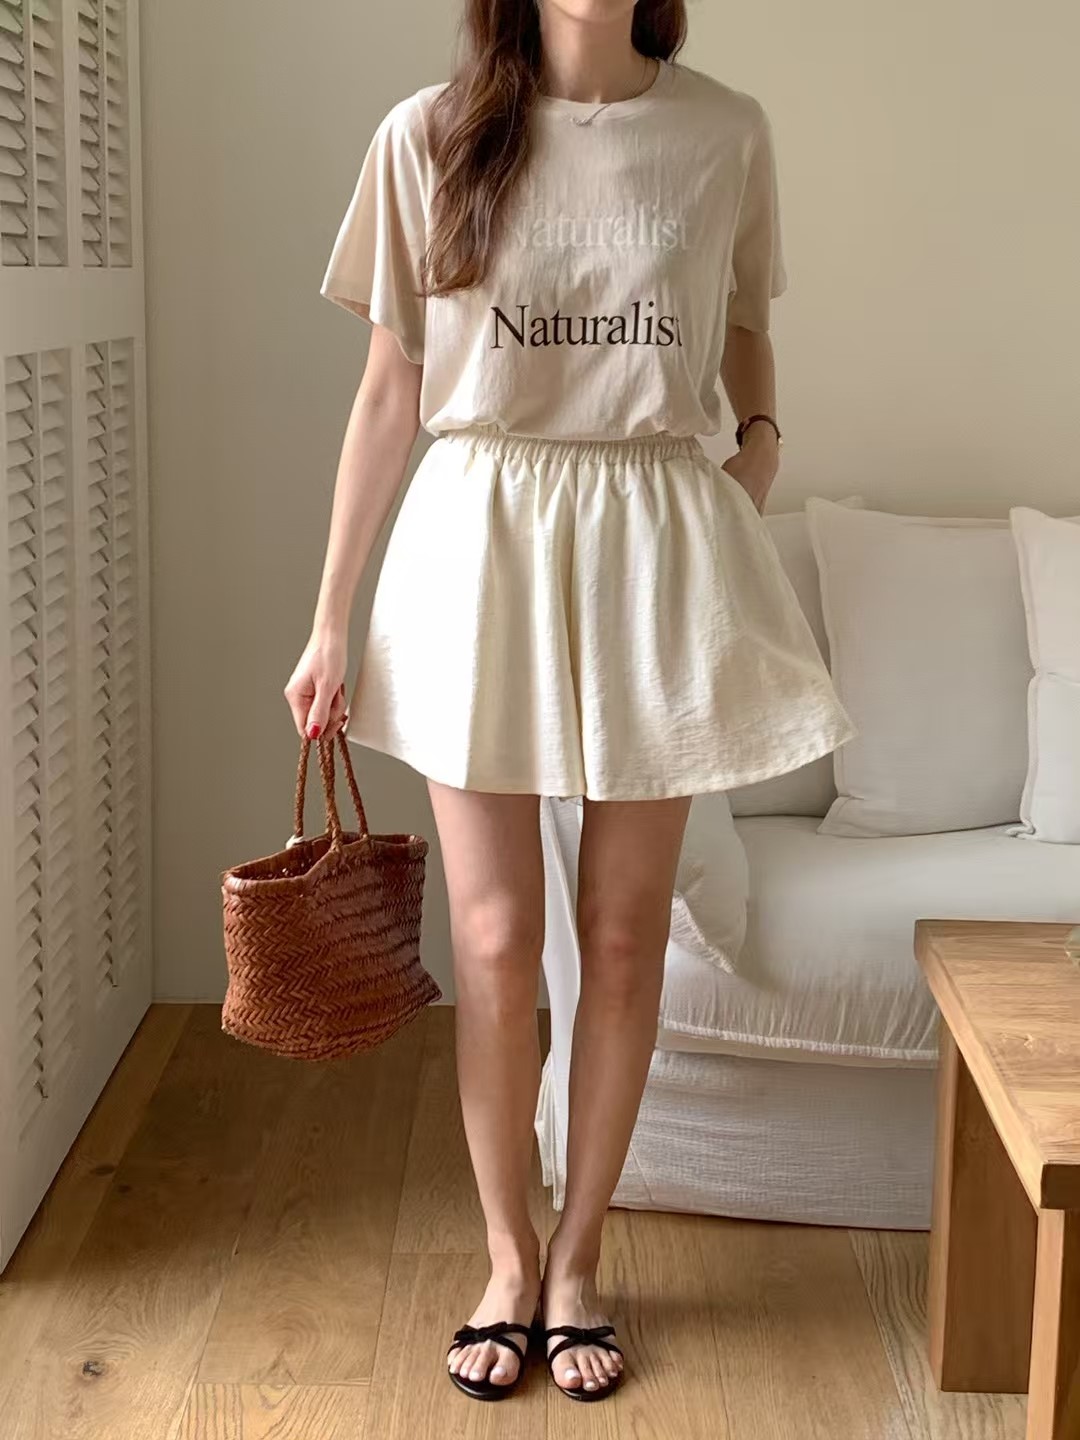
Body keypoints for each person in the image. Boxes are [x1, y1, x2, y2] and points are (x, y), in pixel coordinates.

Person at [284, 0, 856, 1405]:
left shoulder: (725, 132)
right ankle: (506, 1256)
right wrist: (330, 614)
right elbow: (389, 391)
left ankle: (580, 1259)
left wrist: (759, 448)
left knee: (622, 935)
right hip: (479, 537)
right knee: (493, 938)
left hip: (655, 540)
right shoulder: (427, 136)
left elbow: (743, 322)